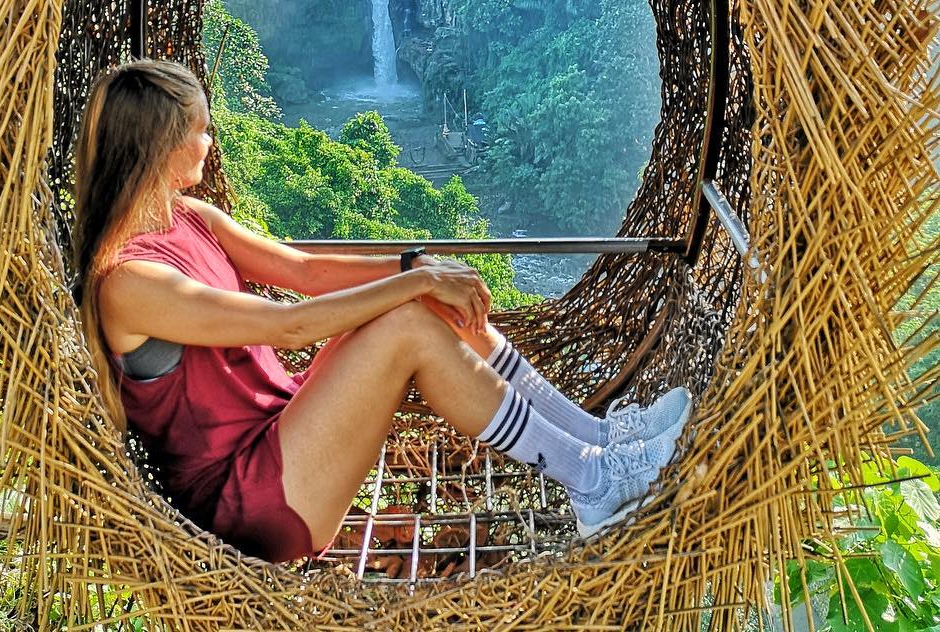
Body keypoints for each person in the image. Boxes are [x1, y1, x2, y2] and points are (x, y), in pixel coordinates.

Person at [73, 59, 692, 564]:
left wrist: (416, 271)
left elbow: (305, 273)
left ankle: (597, 440)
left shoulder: (190, 218)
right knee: (406, 324)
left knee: (418, 301)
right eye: (202, 129)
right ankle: (593, 482)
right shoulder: (127, 284)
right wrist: (417, 281)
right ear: (163, 146)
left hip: (287, 436)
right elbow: (289, 325)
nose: (212, 141)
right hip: (252, 498)